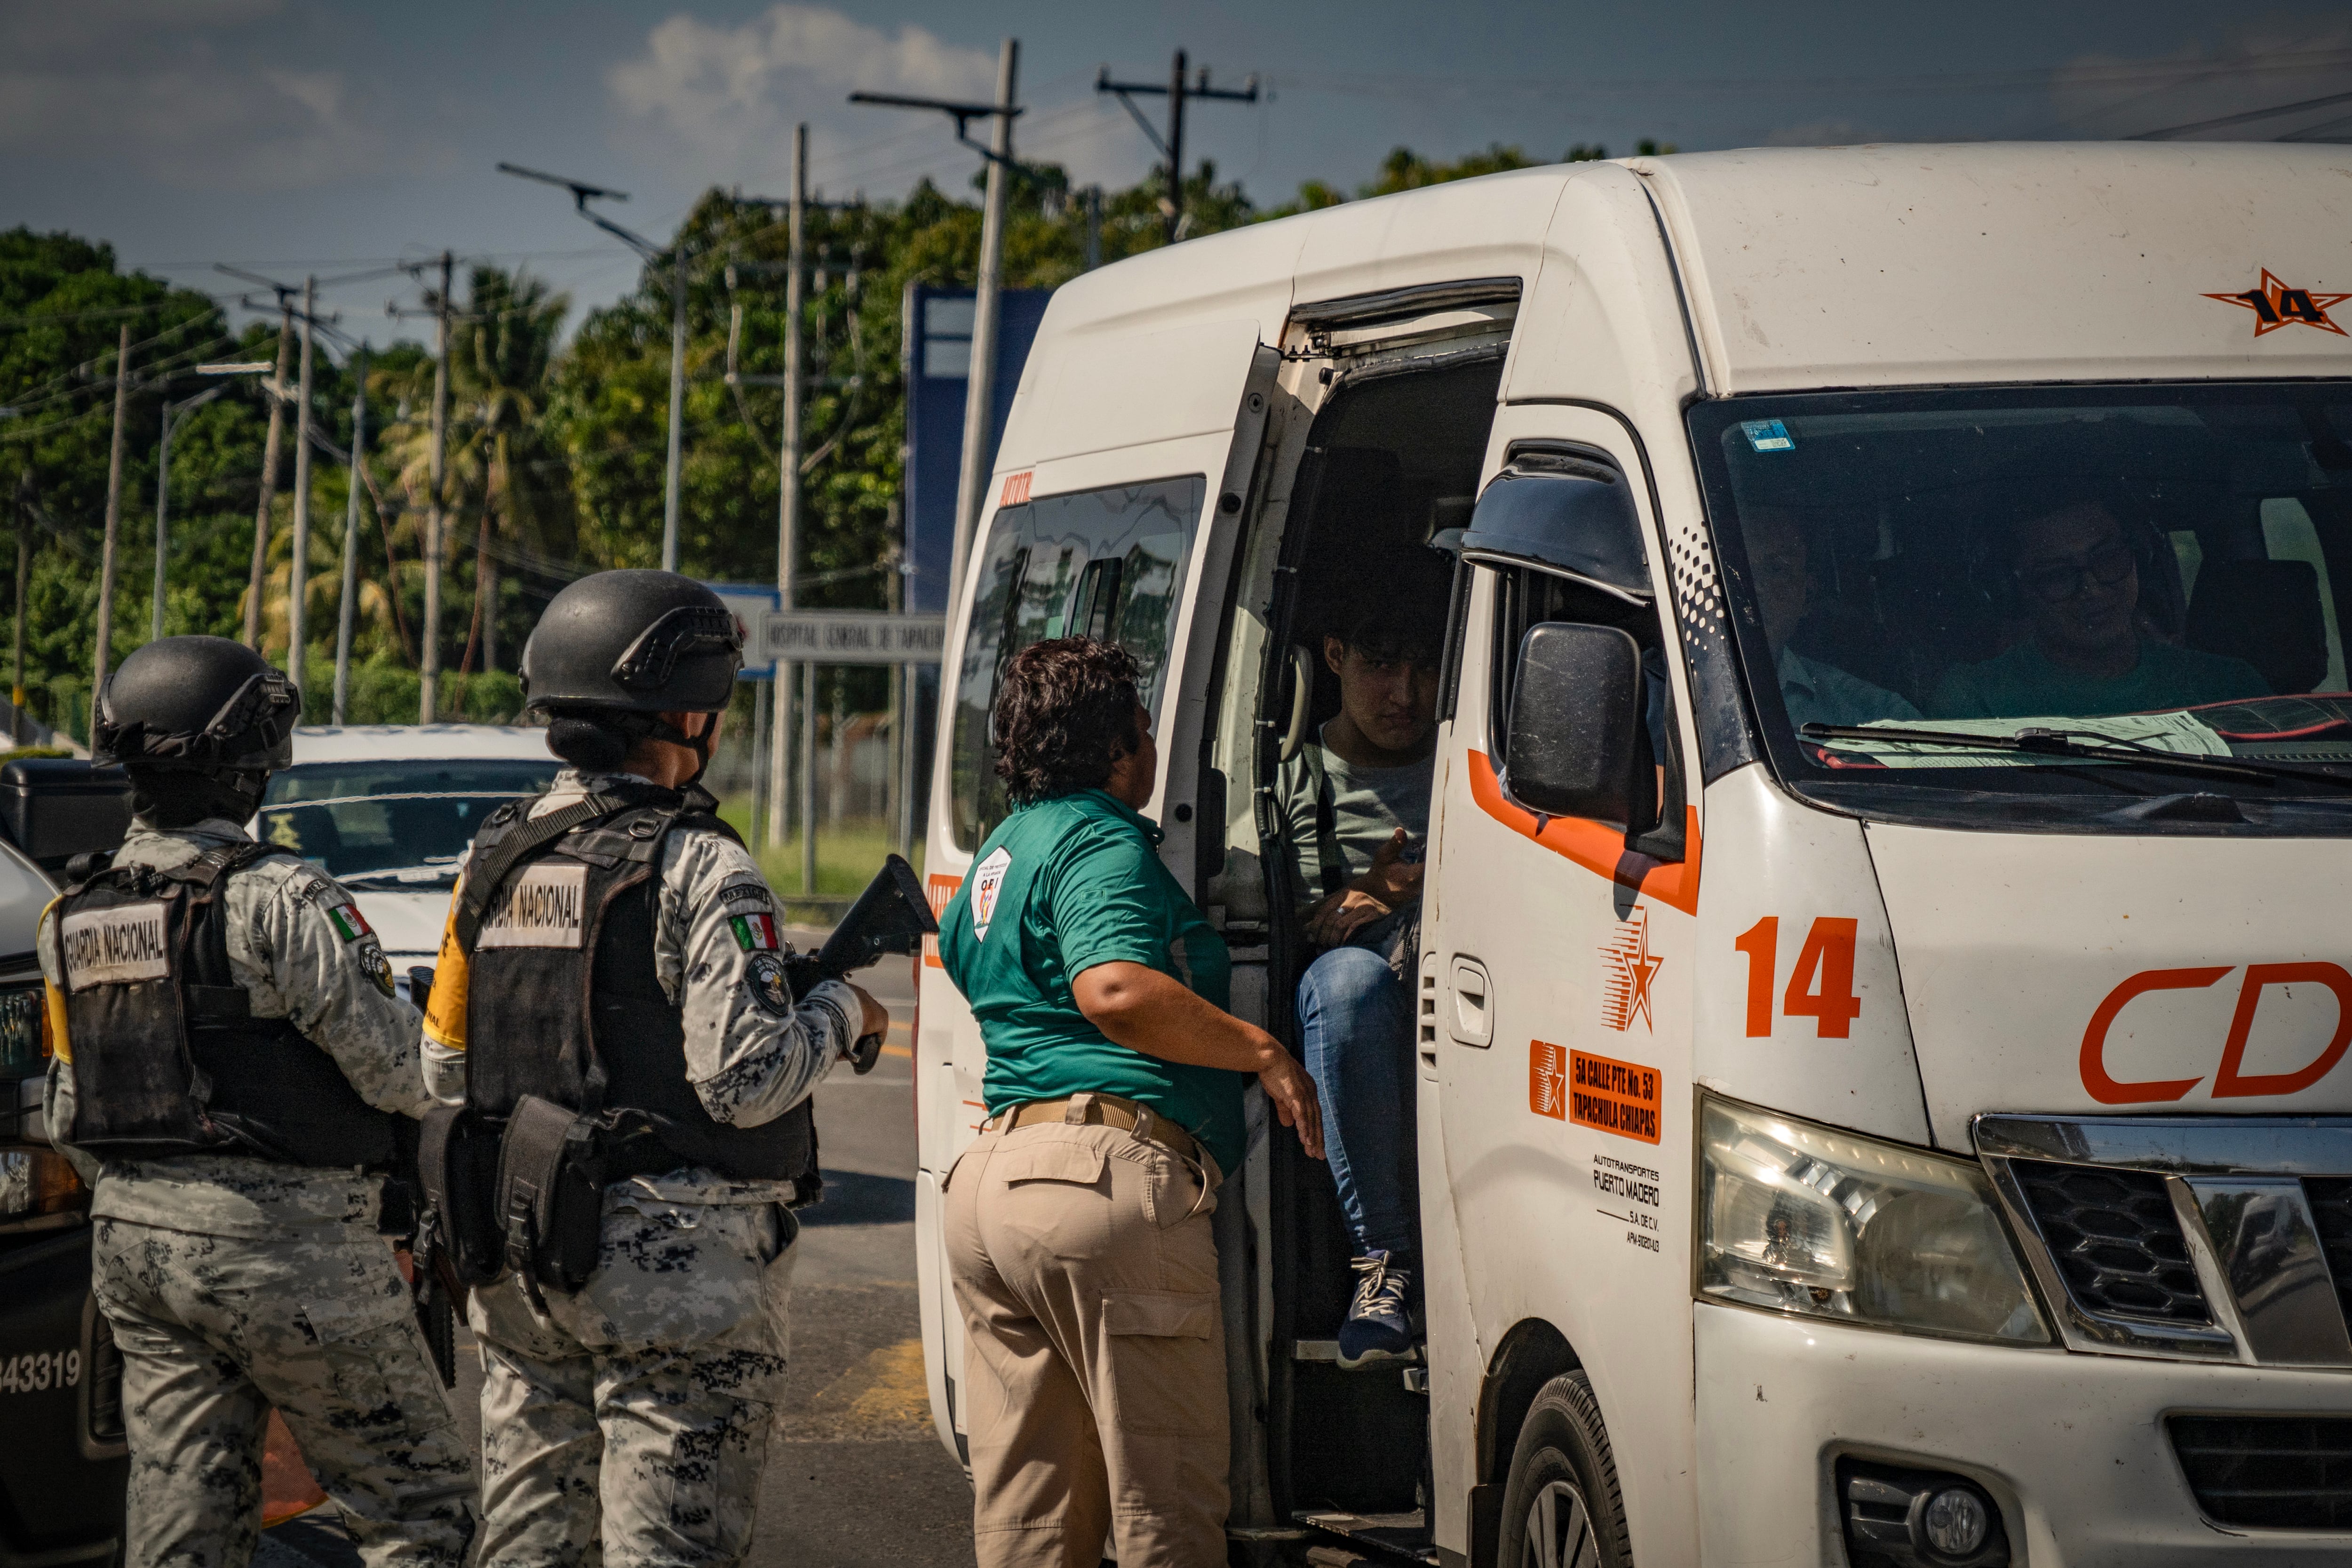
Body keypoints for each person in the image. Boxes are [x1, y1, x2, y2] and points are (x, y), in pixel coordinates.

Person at [420, 571, 888, 1568]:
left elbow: (444, 1062)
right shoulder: (702, 862)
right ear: (688, 710)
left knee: (531, 1549)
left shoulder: (494, 856)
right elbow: (744, 1080)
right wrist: (845, 1010)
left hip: (526, 1251)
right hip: (676, 1280)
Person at [41, 636, 476, 1568]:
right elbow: (401, 1074)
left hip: (136, 1252)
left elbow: (69, 1112)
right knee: (418, 1508)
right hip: (290, 1250)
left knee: (184, 1518)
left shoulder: (73, 911)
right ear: (249, 770)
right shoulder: (284, 898)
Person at [938, 637, 1324, 1568]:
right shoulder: (1099, 838)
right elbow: (1111, 987)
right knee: (1167, 1512)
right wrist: (1262, 1051)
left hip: (990, 1186)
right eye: (1145, 730)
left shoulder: (1001, 849)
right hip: (1099, 1185)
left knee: (1033, 1517)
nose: (1153, 748)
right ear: (1115, 749)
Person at [1276, 595, 1443, 1369]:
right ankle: (1383, 1267)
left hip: (1463, 957)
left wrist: (1412, 891)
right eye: (1381, 666)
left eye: (1426, 668)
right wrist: (1361, 899)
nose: (1406, 693)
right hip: (1358, 985)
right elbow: (1261, 912)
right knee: (1349, 985)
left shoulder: (1476, 757)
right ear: (1336, 657)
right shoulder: (1295, 775)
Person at [1933, 497, 2269, 719]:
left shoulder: (2228, 687)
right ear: (2013, 591)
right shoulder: (1977, 699)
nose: (2091, 590)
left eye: (2107, 558)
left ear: (2140, 558)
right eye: (2058, 575)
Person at [1744, 504, 1923, 728]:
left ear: (1808, 595)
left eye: (1776, 569)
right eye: (1736, 569)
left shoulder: (1873, 714)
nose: (1755, 587)